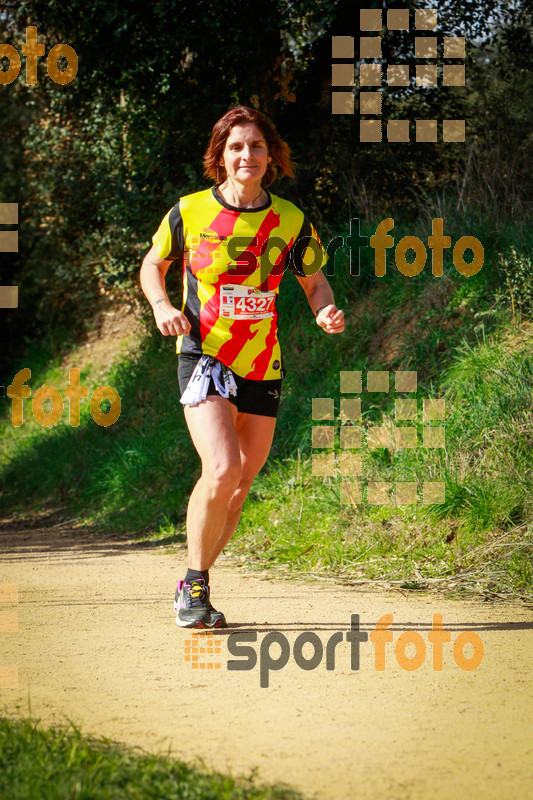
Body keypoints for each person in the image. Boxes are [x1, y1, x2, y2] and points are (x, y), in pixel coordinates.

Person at [140, 105, 344, 629]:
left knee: (242, 481)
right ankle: (195, 585)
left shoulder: (291, 220)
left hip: (263, 363)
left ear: (270, 155)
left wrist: (323, 310)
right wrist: (163, 306)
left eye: (256, 146)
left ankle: (195, 582)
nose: (246, 155)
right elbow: (152, 264)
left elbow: (314, 281)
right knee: (223, 468)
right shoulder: (189, 211)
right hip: (204, 355)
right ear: (220, 157)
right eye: (236, 147)